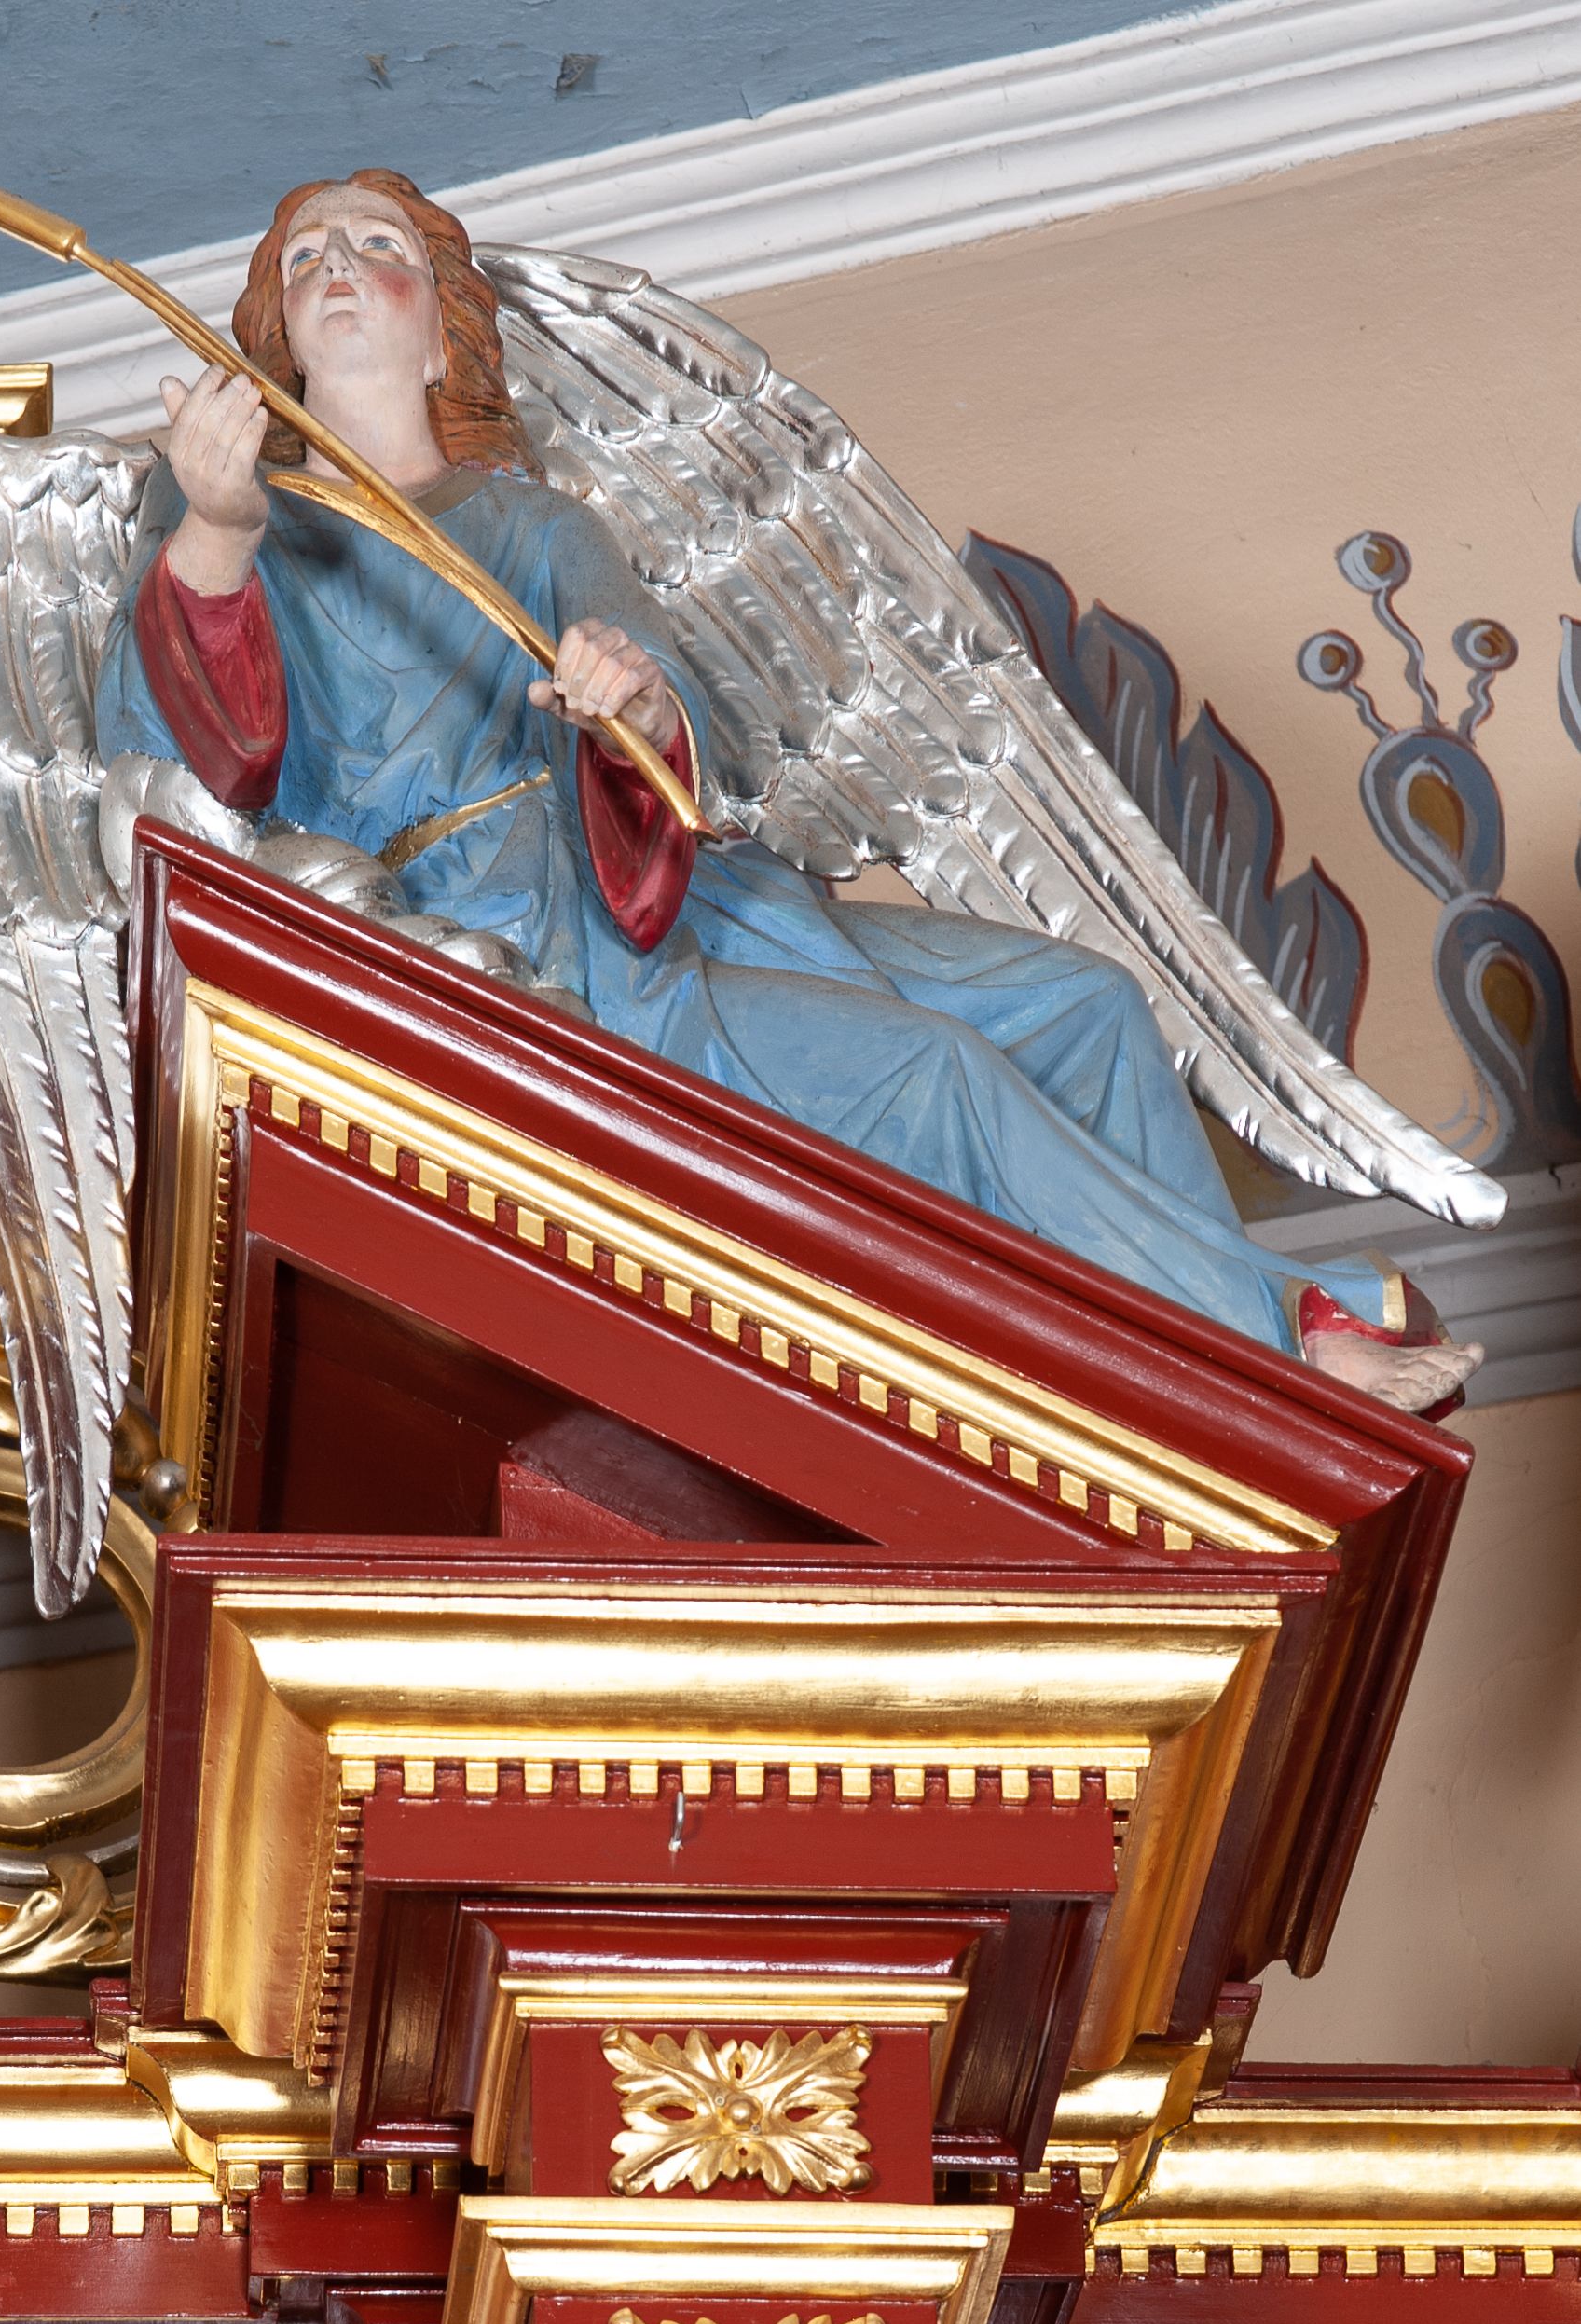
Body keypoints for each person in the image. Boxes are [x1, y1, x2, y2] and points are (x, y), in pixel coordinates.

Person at [97, 169, 1479, 1415]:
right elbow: (183, 778)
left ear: (442, 336)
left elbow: (664, 691)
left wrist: (633, 704)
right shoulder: (241, 516)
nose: (337, 264)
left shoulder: (537, 526)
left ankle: (1195, 1403)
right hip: (512, 951)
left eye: (375, 246)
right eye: (306, 259)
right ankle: (1277, 1342)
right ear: (277, 345)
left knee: (1091, 1004)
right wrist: (214, 539)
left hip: (658, 890)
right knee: (938, 1073)